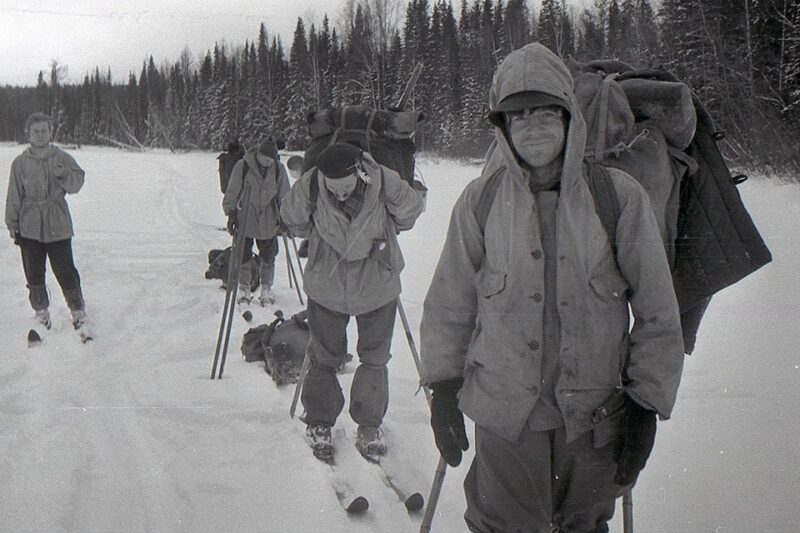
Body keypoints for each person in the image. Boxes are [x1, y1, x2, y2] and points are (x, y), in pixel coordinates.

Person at [419, 42, 685, 533]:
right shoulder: (480, 201)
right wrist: (443, 387)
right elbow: (450, 304)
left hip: (594, 417)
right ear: (503, 127)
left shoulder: (618, 197)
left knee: (583, 525)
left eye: (546, 111)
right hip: (505, 417)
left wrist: (645, 404)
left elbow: (657, 311)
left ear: (568, 117)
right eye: (519, 115)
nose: (534, 127)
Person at [280, 142, 426, 461]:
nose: (340, 194)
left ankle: (369, 426)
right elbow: (292, 218)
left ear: (360, 172)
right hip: (328, 287)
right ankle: (319, 422)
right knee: (324, 356)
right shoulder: (313, 184)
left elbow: (410, 211)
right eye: (333, 189)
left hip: (376, 285)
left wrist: (398, 204)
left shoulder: (383, 180)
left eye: (346, 188)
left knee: (374, 357)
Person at [5, 112, 88, 329]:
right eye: (36, 131)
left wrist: (64, 175)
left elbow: (77, 184)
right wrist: (12, 223)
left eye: (44, 130)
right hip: (29, 225)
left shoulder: (62, 158)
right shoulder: (20, 163)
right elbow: (14, 195)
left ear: (51, 132)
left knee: (65, 269)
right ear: (28, 134)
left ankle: (78, 311)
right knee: (33, 272)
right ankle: (41, 313)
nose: (41, 134)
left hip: (58, 223)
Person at [222, 136, 290, 307]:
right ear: (258, 154)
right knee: (243, 255)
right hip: (246, 216)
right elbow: (232, 190)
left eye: (270, 160)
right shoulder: (243, 166)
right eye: (264, 158)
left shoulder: (278, 169)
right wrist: (231, 213)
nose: (267, 162)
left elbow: (284, 194)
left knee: (269, 256)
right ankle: (244, 287)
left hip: (269, 218)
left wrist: (286, 217)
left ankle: (266, 287)